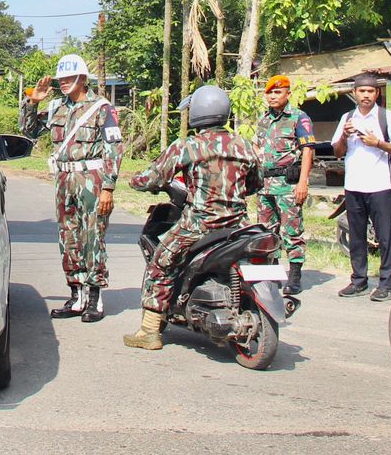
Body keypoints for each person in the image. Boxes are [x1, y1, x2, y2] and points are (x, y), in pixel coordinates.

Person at [124, 84, 261, 351]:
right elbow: (255, 183)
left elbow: (154, 177)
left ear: (198, 113)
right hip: (238, 224)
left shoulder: (188, 146)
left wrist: (136, 181)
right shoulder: (245, 146)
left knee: (160, 262)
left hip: (199, 223)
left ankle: (149, 332)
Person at [25, 54, 123, 322]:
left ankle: (94, 298)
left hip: (92, 179)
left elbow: (114, 148)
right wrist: (34, 102)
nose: (65, 83)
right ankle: (75, 295)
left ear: (83, 78)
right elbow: (29, 131)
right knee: (68, 237)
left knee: (92, 237)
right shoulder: (57, 106)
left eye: (70, 78)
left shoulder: (102, 108)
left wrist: (109, 188)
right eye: (61, 79)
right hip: (63, 180)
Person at [330, 73, 391, 301]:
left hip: (379, 185)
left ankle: (387, 283)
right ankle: (359, 280)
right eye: (362, 91)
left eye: (370, 91)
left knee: (385, 237)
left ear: (377, 93)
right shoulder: (348, 117)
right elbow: (337, 152)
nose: (366, 95)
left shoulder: (387, 117)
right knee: (357, 235)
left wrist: (379, 143)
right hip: (353, 185)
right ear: (354, 93)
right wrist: (344, 136)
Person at [253, 74, 316, 296]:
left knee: (292, 231)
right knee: (266, 231)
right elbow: (256, 149)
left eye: (277, 92)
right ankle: (271, 275)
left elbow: (308, 150)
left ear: (288, 94)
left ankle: (295, 275)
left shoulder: (299, 118)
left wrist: (303, 182)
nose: (272, 96)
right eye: (269, 92)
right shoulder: (263, 119)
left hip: (288, 185)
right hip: (265, 185)